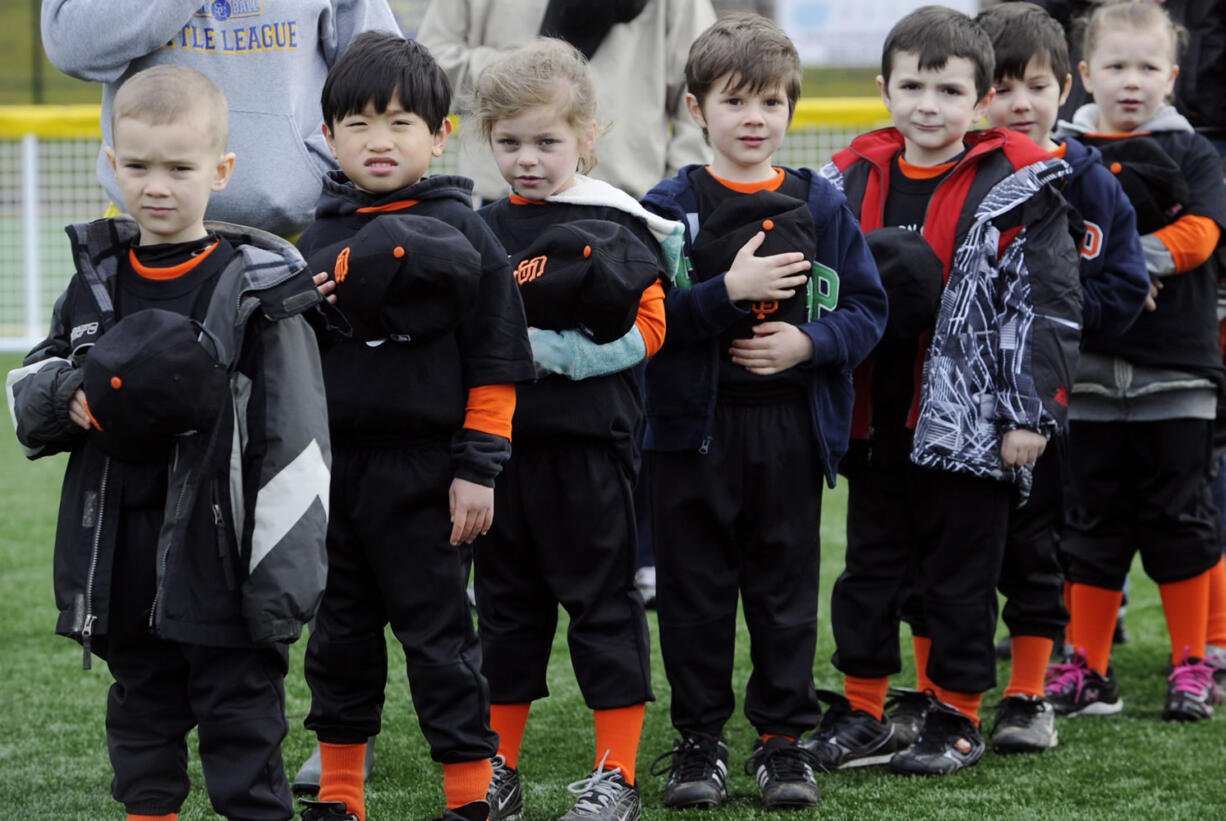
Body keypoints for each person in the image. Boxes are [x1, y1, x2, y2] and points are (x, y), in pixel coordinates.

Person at [7, 65, 331, 821]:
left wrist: (280, 582)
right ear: (112, 164)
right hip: (122, 559)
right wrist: (67, 394)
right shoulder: (97, 281)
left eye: (179, 167)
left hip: (224, 563)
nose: (157, 185)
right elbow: (28, 390)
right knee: (142, 730)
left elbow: (299, 446)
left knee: (242, 734)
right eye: (140, 165)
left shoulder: (260, 287)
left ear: (220, 170)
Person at [808, 5, 1082, 777]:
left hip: (972, 420)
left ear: (982, 98)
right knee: (869, 570)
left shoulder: (1019, 182)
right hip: (874, 417)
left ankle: (955, 715)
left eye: (949, 90)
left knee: (959, 575)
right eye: (912, 85)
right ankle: (865, 708)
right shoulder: (847, 177)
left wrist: (1030, 411)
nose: (928, 105)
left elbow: (1049, 302)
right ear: (883, 87)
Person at [639, 13, 888, 810]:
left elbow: (869, 310)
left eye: (773, 102)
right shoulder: (668, 206)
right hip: (691, 436)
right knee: (695, 596)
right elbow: (647, 320)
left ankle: (783, 742)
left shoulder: (822, 200)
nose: (756, 118)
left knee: (785, 595)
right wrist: (726, 296)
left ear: (792, 111)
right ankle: (700, 741)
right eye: (737, 100)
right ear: (695, 108)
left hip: (787, 430)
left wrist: (807, 345)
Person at [292, 31, 534, 821]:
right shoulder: (312, 241)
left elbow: (497, 361)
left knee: (440, 642)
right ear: (328, 137)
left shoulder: (470, 233)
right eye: (358, 123)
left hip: (431, 474)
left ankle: (469, 795)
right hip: (333, 476)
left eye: (401, 123)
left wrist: (478, 469)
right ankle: (339, 794)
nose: (380, 140)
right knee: (338, 639)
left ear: (440, 134)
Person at [470, 37, 682, 821]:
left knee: (603, 606)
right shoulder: (480, 227)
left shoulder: (616, 218)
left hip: (591, 450)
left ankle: (616, 774)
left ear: (589, 135)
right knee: (505, 612)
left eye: (547, 141)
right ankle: (498, 768)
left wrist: (543, 353)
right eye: (510, 142)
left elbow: (655, 325)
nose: (528, 159)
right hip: (500, 457)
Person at [962, 1, 1151, 755]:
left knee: (1041, 552)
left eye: (1035, 85)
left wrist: (1053, 325)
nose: (1018, 103)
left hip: (1050, 408)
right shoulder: (963, 175)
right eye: (1001, 87)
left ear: (1066, 87)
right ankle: (948, 694)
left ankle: (1029, 693)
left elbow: (1124, 287)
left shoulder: (1089, 180)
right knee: (956, 552)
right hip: (964, 407)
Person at [1044, 0, 1226, 722]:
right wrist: (1115, 277)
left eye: (1147, 67)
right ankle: (1085, 664)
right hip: (1085, 372)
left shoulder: (1195, 152)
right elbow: (1047, 236)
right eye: (1115, 66)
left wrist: (1129, 260)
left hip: (1175, 374)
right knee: (1091, 523)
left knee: (1180, 518)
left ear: (1172, 76)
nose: (1131, 81)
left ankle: (1192, 662)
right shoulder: (1061, 153)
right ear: (1084, 74)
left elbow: (1205, 229)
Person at [40, 0, 402, 238]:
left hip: (304, 237)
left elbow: (380, 77)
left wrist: (320, 166)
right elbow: (72, 47)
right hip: (145, 235)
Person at [416, 0, 714, 204]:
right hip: (502, 196)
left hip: (626, 199)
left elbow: (703, 82)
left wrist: (673, 193)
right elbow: (429, 70)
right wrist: (523, 73)